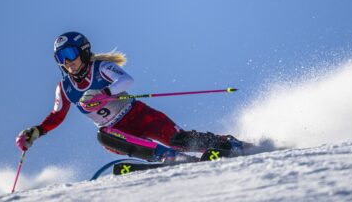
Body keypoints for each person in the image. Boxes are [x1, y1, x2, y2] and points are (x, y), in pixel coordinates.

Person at [16, 32, 244, 162]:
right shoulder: (65, 88)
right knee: (103, 135)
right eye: (60, 58)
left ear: (83, 51)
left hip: (137, 115)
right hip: (117, 132)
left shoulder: (101, 67)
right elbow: (56, 116)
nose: (66, 62)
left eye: (70, 54)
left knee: (179, 139)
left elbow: (126, 81)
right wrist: (34, 132)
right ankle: (163, 156)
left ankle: (227, 143)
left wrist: (104, 93)